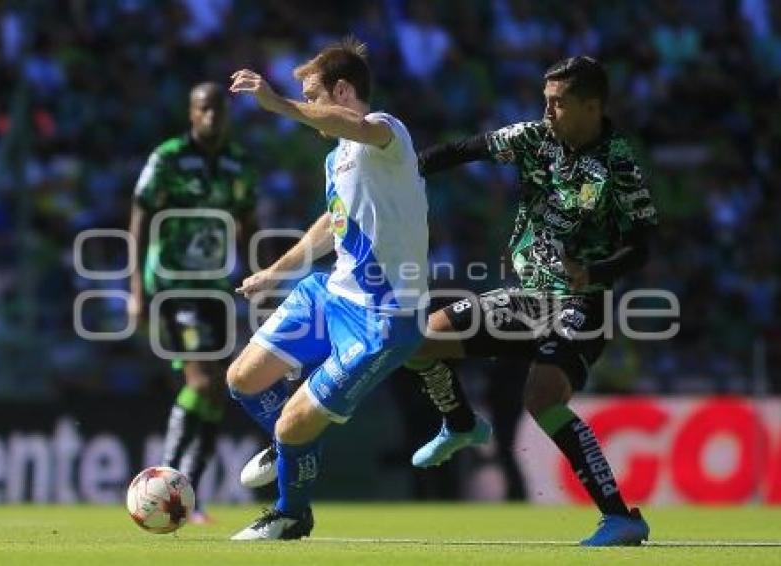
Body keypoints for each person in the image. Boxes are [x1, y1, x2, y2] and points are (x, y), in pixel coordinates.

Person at [405, 56, 655, 546]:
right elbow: (461, 150)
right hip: (525, 297)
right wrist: (400, 170)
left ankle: (621, 517)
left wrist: (596, 272)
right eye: (545, 101)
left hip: (582, 303)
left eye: (558, 103)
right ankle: (459, 423)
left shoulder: (620, 163)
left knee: (540, 398)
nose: (548, 112)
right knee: (416, 342)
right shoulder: (533, 138)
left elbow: (643, 243)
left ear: (592, 105)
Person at [225, 37, 428, 540]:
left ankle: (292, 512)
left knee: (292, 424)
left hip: (385, 316)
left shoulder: (387, 133)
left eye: (315, 95)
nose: (311, 107)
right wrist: (276, 271)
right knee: (242, 378)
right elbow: (330, 227)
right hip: (329, 293)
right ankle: (293, 444)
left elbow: (352, 124)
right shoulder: (336, 160)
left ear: (342, 89)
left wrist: (277, 104)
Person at [127, 82, 256, 523]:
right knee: (202, 381)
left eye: (218, 109)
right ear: (191, 112)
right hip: (171, 285)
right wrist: (136, 289)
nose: (212, 116)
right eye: (203, 109)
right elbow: (139, 218)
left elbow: (248, 221)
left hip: (215, 289)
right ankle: (159, 482)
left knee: (219, 390)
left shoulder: (237, 162)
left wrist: (259, 275)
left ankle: (188, 492)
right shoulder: (166, 158)